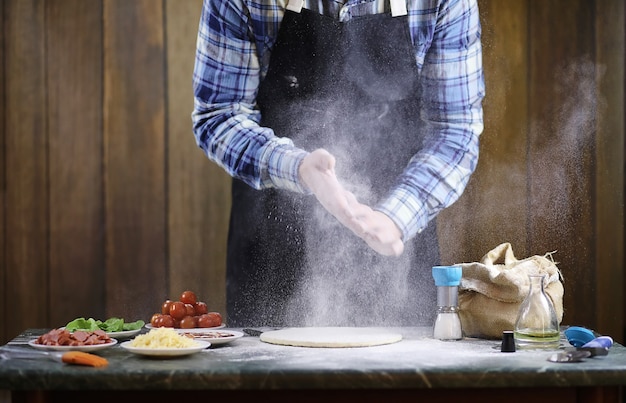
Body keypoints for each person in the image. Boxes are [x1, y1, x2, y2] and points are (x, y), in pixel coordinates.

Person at [192, 0, 485, 327]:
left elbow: (454, 130)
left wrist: (395, 217)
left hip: (393, 238)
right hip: (272, 241)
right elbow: (219, 115)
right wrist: (298, 168)